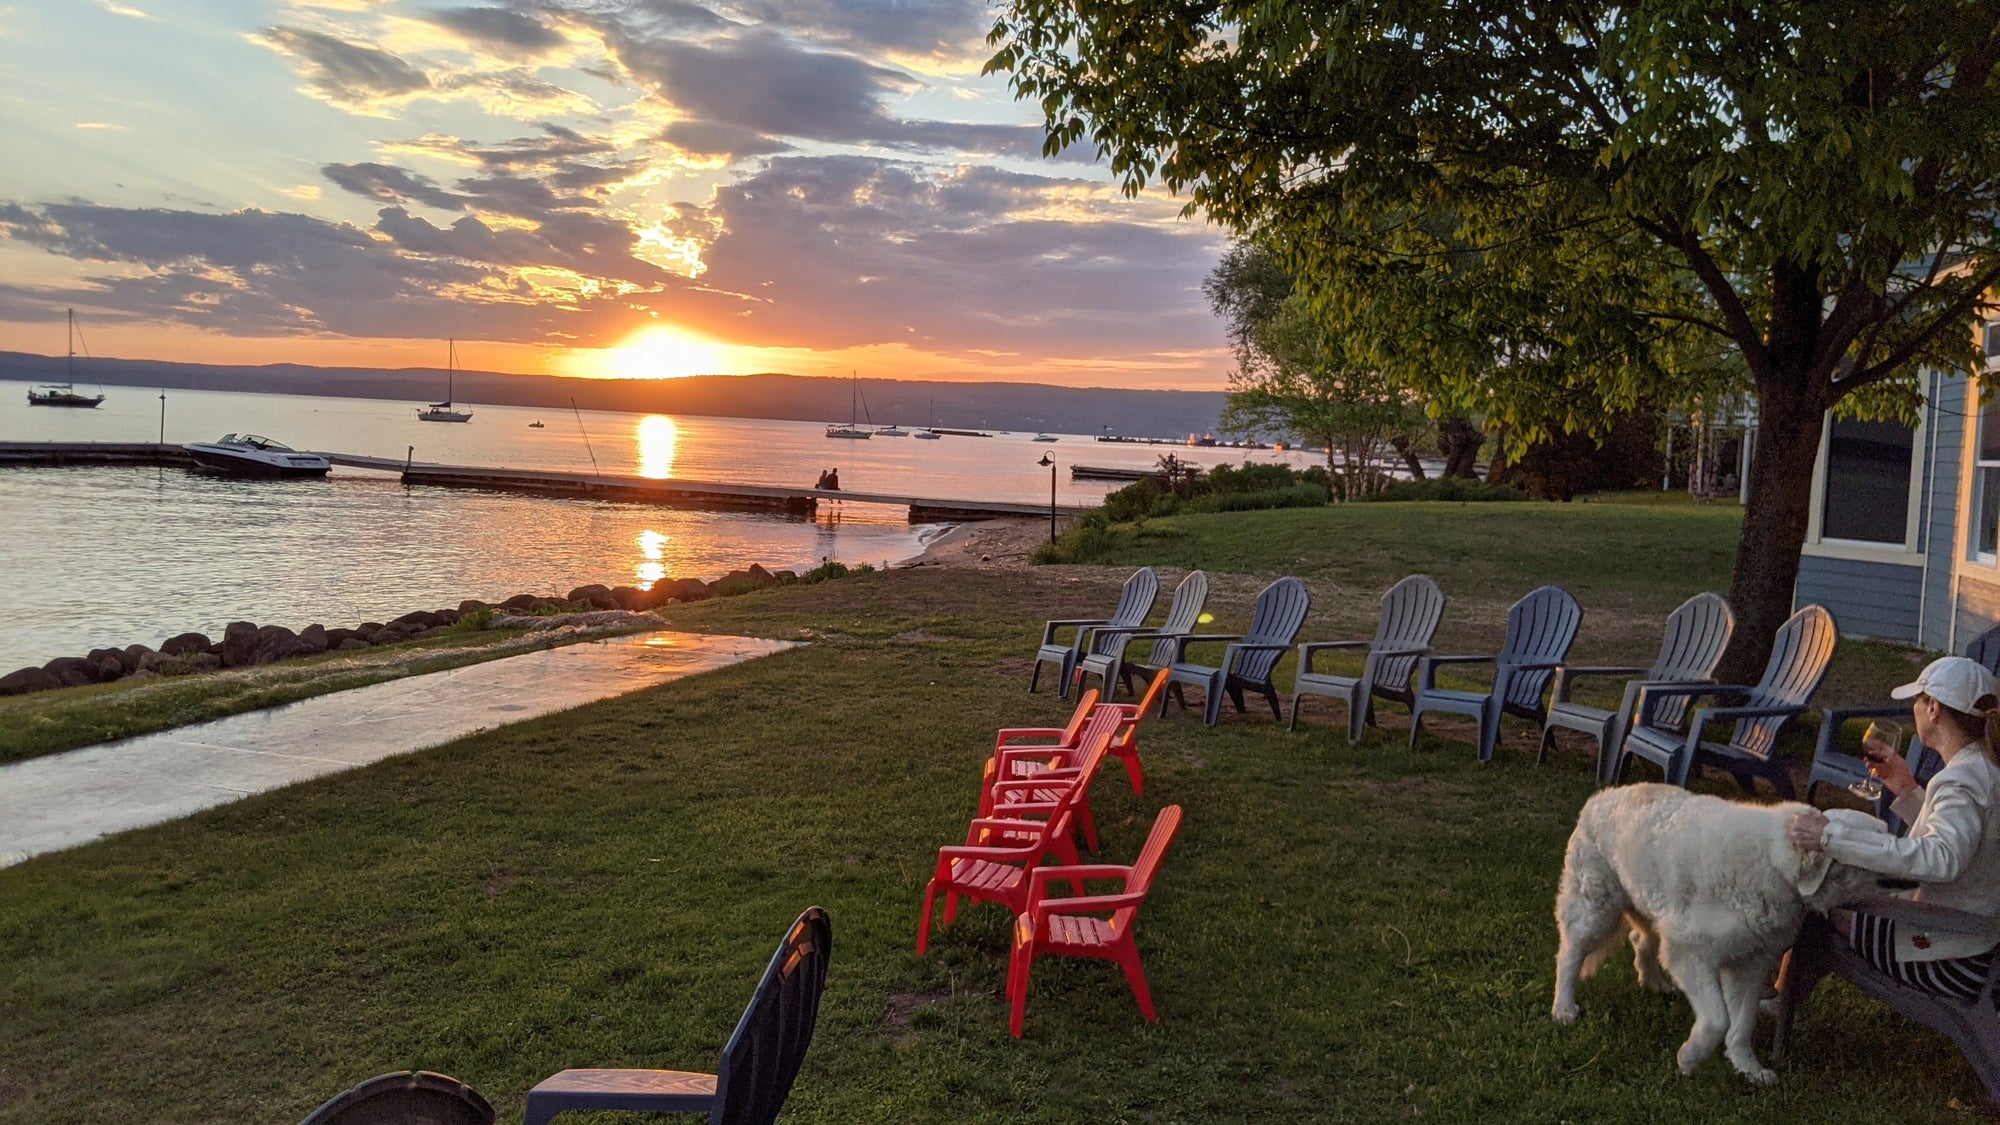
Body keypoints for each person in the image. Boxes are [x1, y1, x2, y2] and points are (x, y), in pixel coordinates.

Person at [1788, 656, 2000, 999]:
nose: (1915, 707)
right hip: (1973, 938)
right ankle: (1782, 993)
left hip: (1949, 956)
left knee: (1812, 901)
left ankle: (1776, 997)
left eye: (1918, 699)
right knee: (1826, 898)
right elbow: (1966, 843)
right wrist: (1906, 788)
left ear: (1933, 709)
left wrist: (1829, 838)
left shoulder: (1960, 780)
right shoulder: (1984, 767)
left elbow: (1942, 858)